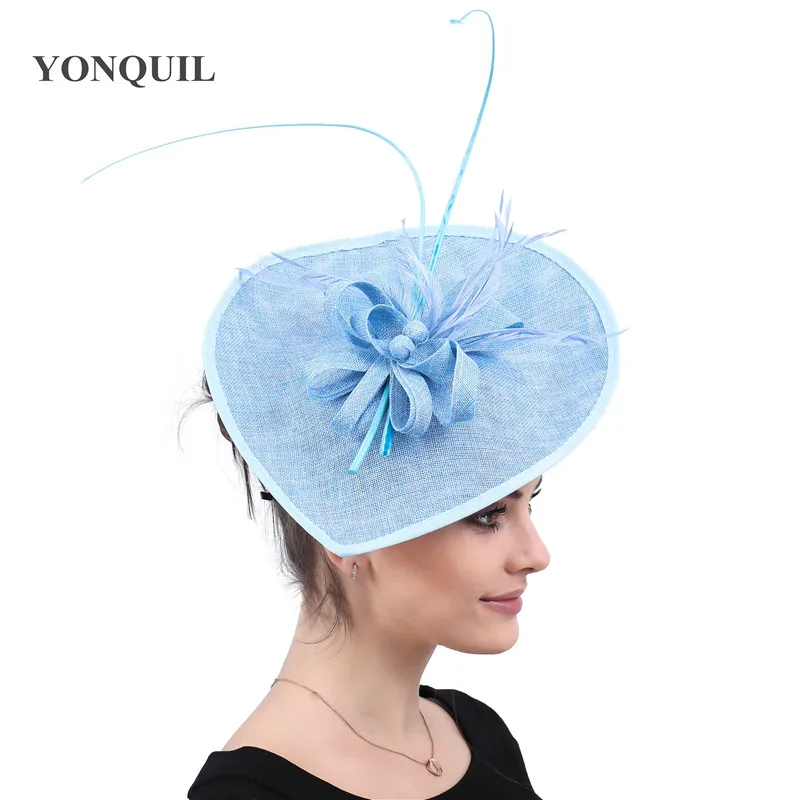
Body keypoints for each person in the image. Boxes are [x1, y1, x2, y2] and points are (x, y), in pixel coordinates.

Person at [183, 377, 548, 798]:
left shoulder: (480, 732)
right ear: (348, 531)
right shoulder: (243, 794)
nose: (537, 555)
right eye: (489, 514)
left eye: (530, 503)